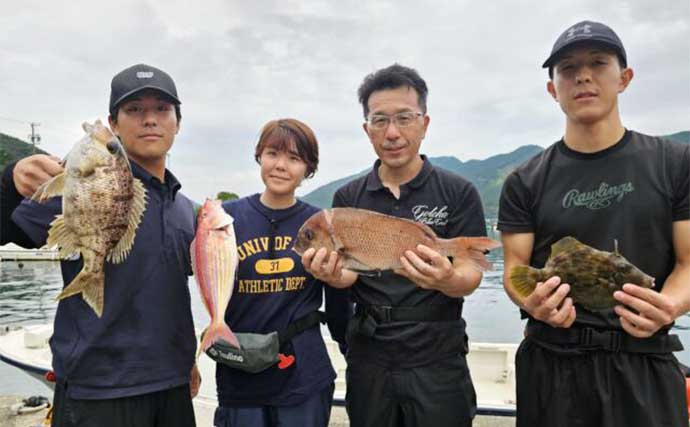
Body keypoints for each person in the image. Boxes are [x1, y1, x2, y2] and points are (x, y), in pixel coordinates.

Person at [498, 20, 690, 427]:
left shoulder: (675, 164)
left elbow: (689, 263)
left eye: (598, 63)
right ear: (553, 89)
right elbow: (516, 268)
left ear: (624, 78)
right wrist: (532, 302)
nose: (583, 75)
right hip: (552, 364)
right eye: (568, 68)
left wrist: (669, 305)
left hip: (644, 359)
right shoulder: (524, 180)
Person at [0, 63, 200, 427]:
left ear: (178, 123)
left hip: (172, 386)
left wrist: (188, 360)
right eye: (135, 110)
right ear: (114, 124)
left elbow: (172, 294)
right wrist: (8, 185)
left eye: (161, 110)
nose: (149, 120)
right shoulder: (80, 185)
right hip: (97, 390)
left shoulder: (185, 210)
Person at [301, 64, 486, 427]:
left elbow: (472, 272)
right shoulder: (347, 198)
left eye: (404, 118)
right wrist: (335, 278)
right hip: (370, 354)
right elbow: (351, 273)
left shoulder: (457, 191)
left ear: (425, 122)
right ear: (366, 128)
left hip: (438, 355)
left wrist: (446, 280)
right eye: (379, 120)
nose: (392, 133)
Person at [209, 118, 350, 427]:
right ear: (259, 156)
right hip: (240, 369)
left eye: (294, 158)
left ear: (308, 169)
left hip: (303, 373)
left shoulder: (321, 223)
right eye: (273, 153)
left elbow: (342, 288)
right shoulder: (226, 219)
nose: (281, 165)